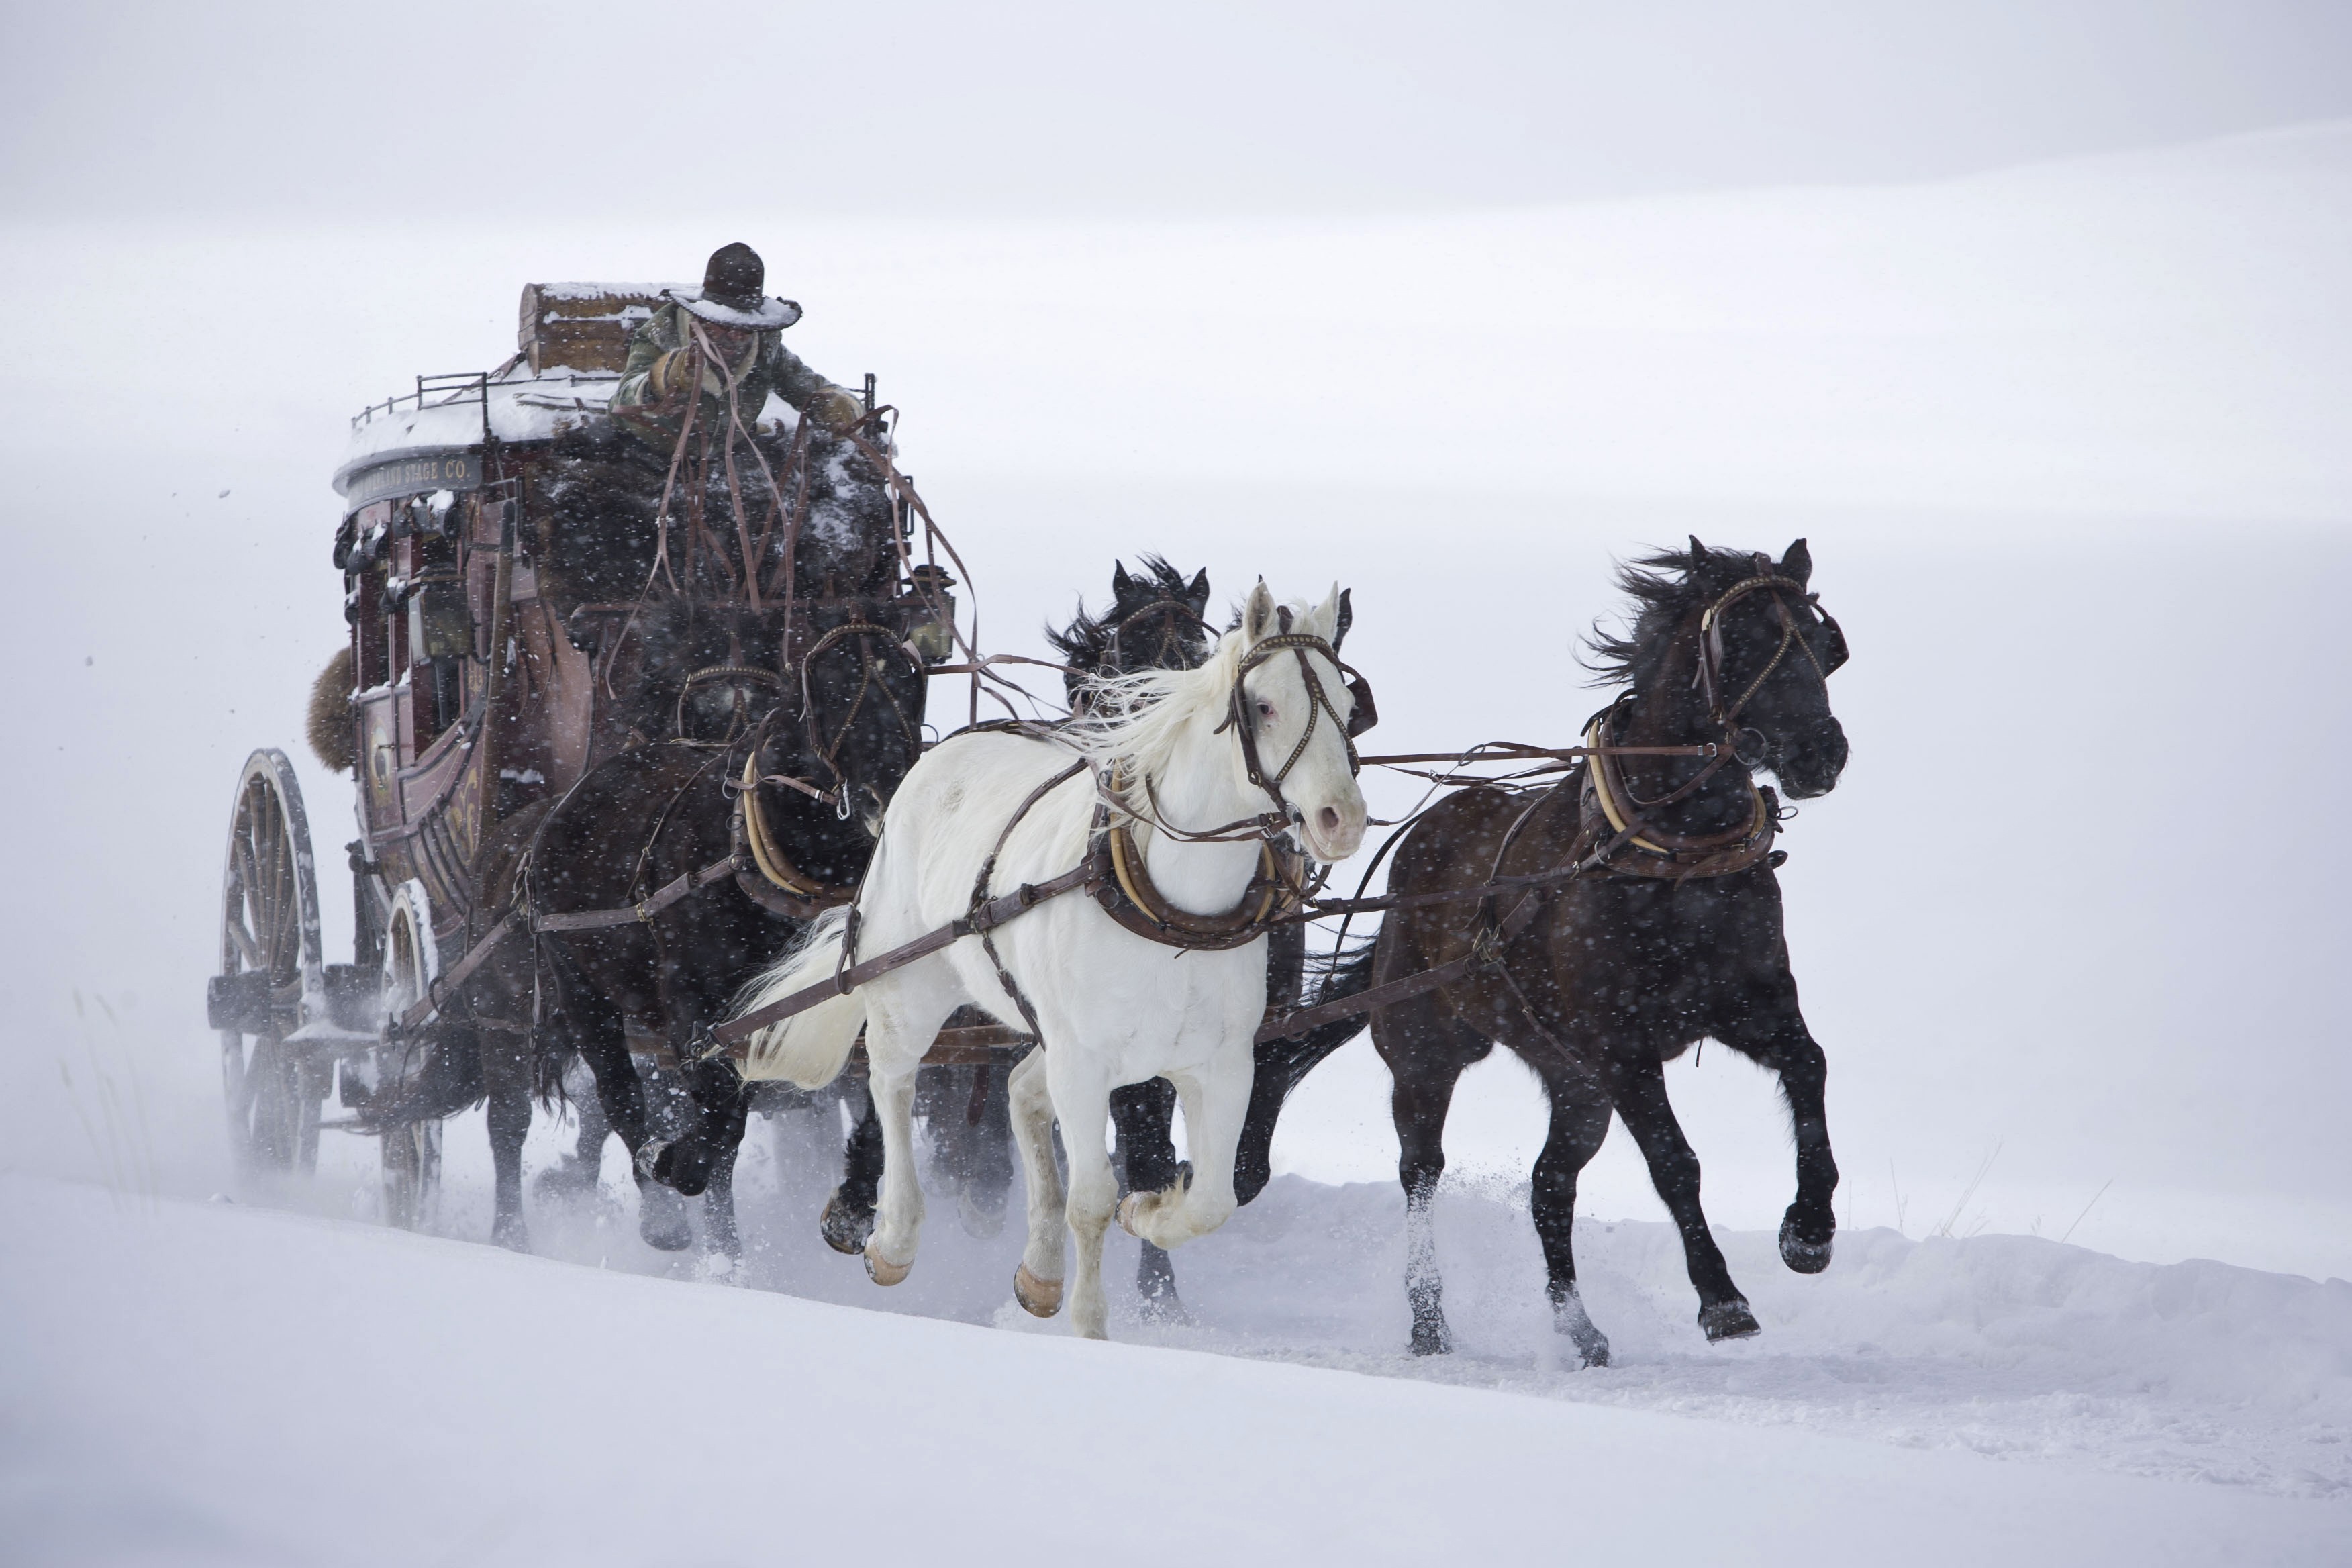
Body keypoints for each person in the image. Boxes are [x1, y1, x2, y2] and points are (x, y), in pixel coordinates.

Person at [610, 242, 865, 448]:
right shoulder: (664, 330)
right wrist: (660, 380)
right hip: (650, 455)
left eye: (745, 328)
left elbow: (807, 387)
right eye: (725, 325)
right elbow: (620, 404)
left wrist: (835, 405)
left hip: (727, 456)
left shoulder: (764, 345)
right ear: (701, 317)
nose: (736, 336)